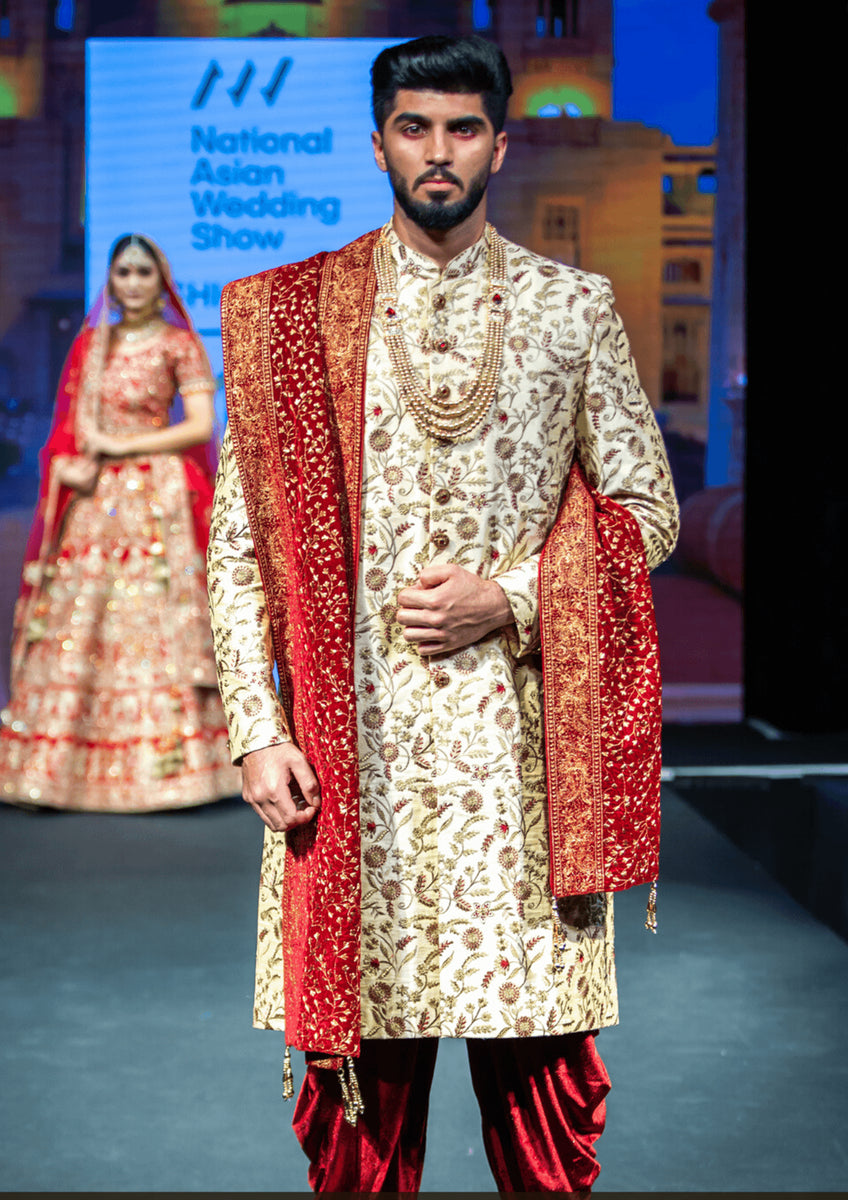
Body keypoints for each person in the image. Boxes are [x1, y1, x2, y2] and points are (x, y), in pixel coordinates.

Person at [207, 36, 679, 1195]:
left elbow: (645, 507)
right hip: (347, 759)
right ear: (377, 144)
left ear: (499, 146)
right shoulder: (295, 315)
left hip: (521, 769)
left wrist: (509, 598)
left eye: (461, 129)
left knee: (541, 1099)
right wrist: (255, 730)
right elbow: (236, 542)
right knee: (360, 1105)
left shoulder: (572, 309)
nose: (437, 151)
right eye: (414, 127)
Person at [0, 234, 241, 812]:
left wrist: (122, 443)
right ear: (110, 280)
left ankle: (177, 770)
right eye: (123, 273)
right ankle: (58, 767)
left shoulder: (179, 343)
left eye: (144, 272)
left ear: (163, 281)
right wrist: (83, 455)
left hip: (153, 497)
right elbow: (70, 425)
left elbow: (200, 425)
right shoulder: (92, 345)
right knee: (79, 618)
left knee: (153, 620)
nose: (133, 283)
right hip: (94, 497)